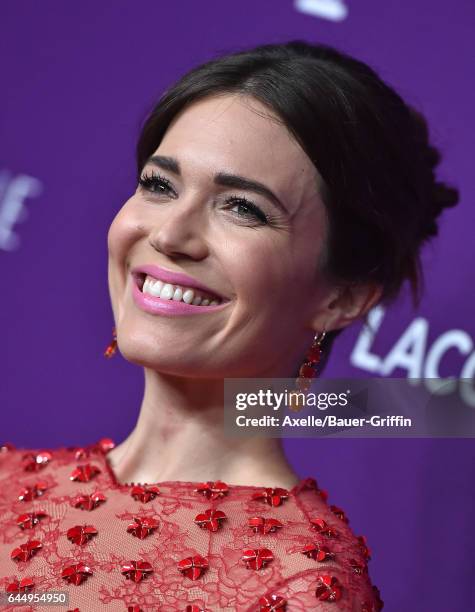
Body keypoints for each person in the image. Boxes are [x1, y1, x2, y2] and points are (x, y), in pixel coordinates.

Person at [0, 40, 459, 611]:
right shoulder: (9, 480)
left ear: (343, 298)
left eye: (243, 207)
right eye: (159, 184)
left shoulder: (299, 589)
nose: (170, 236)